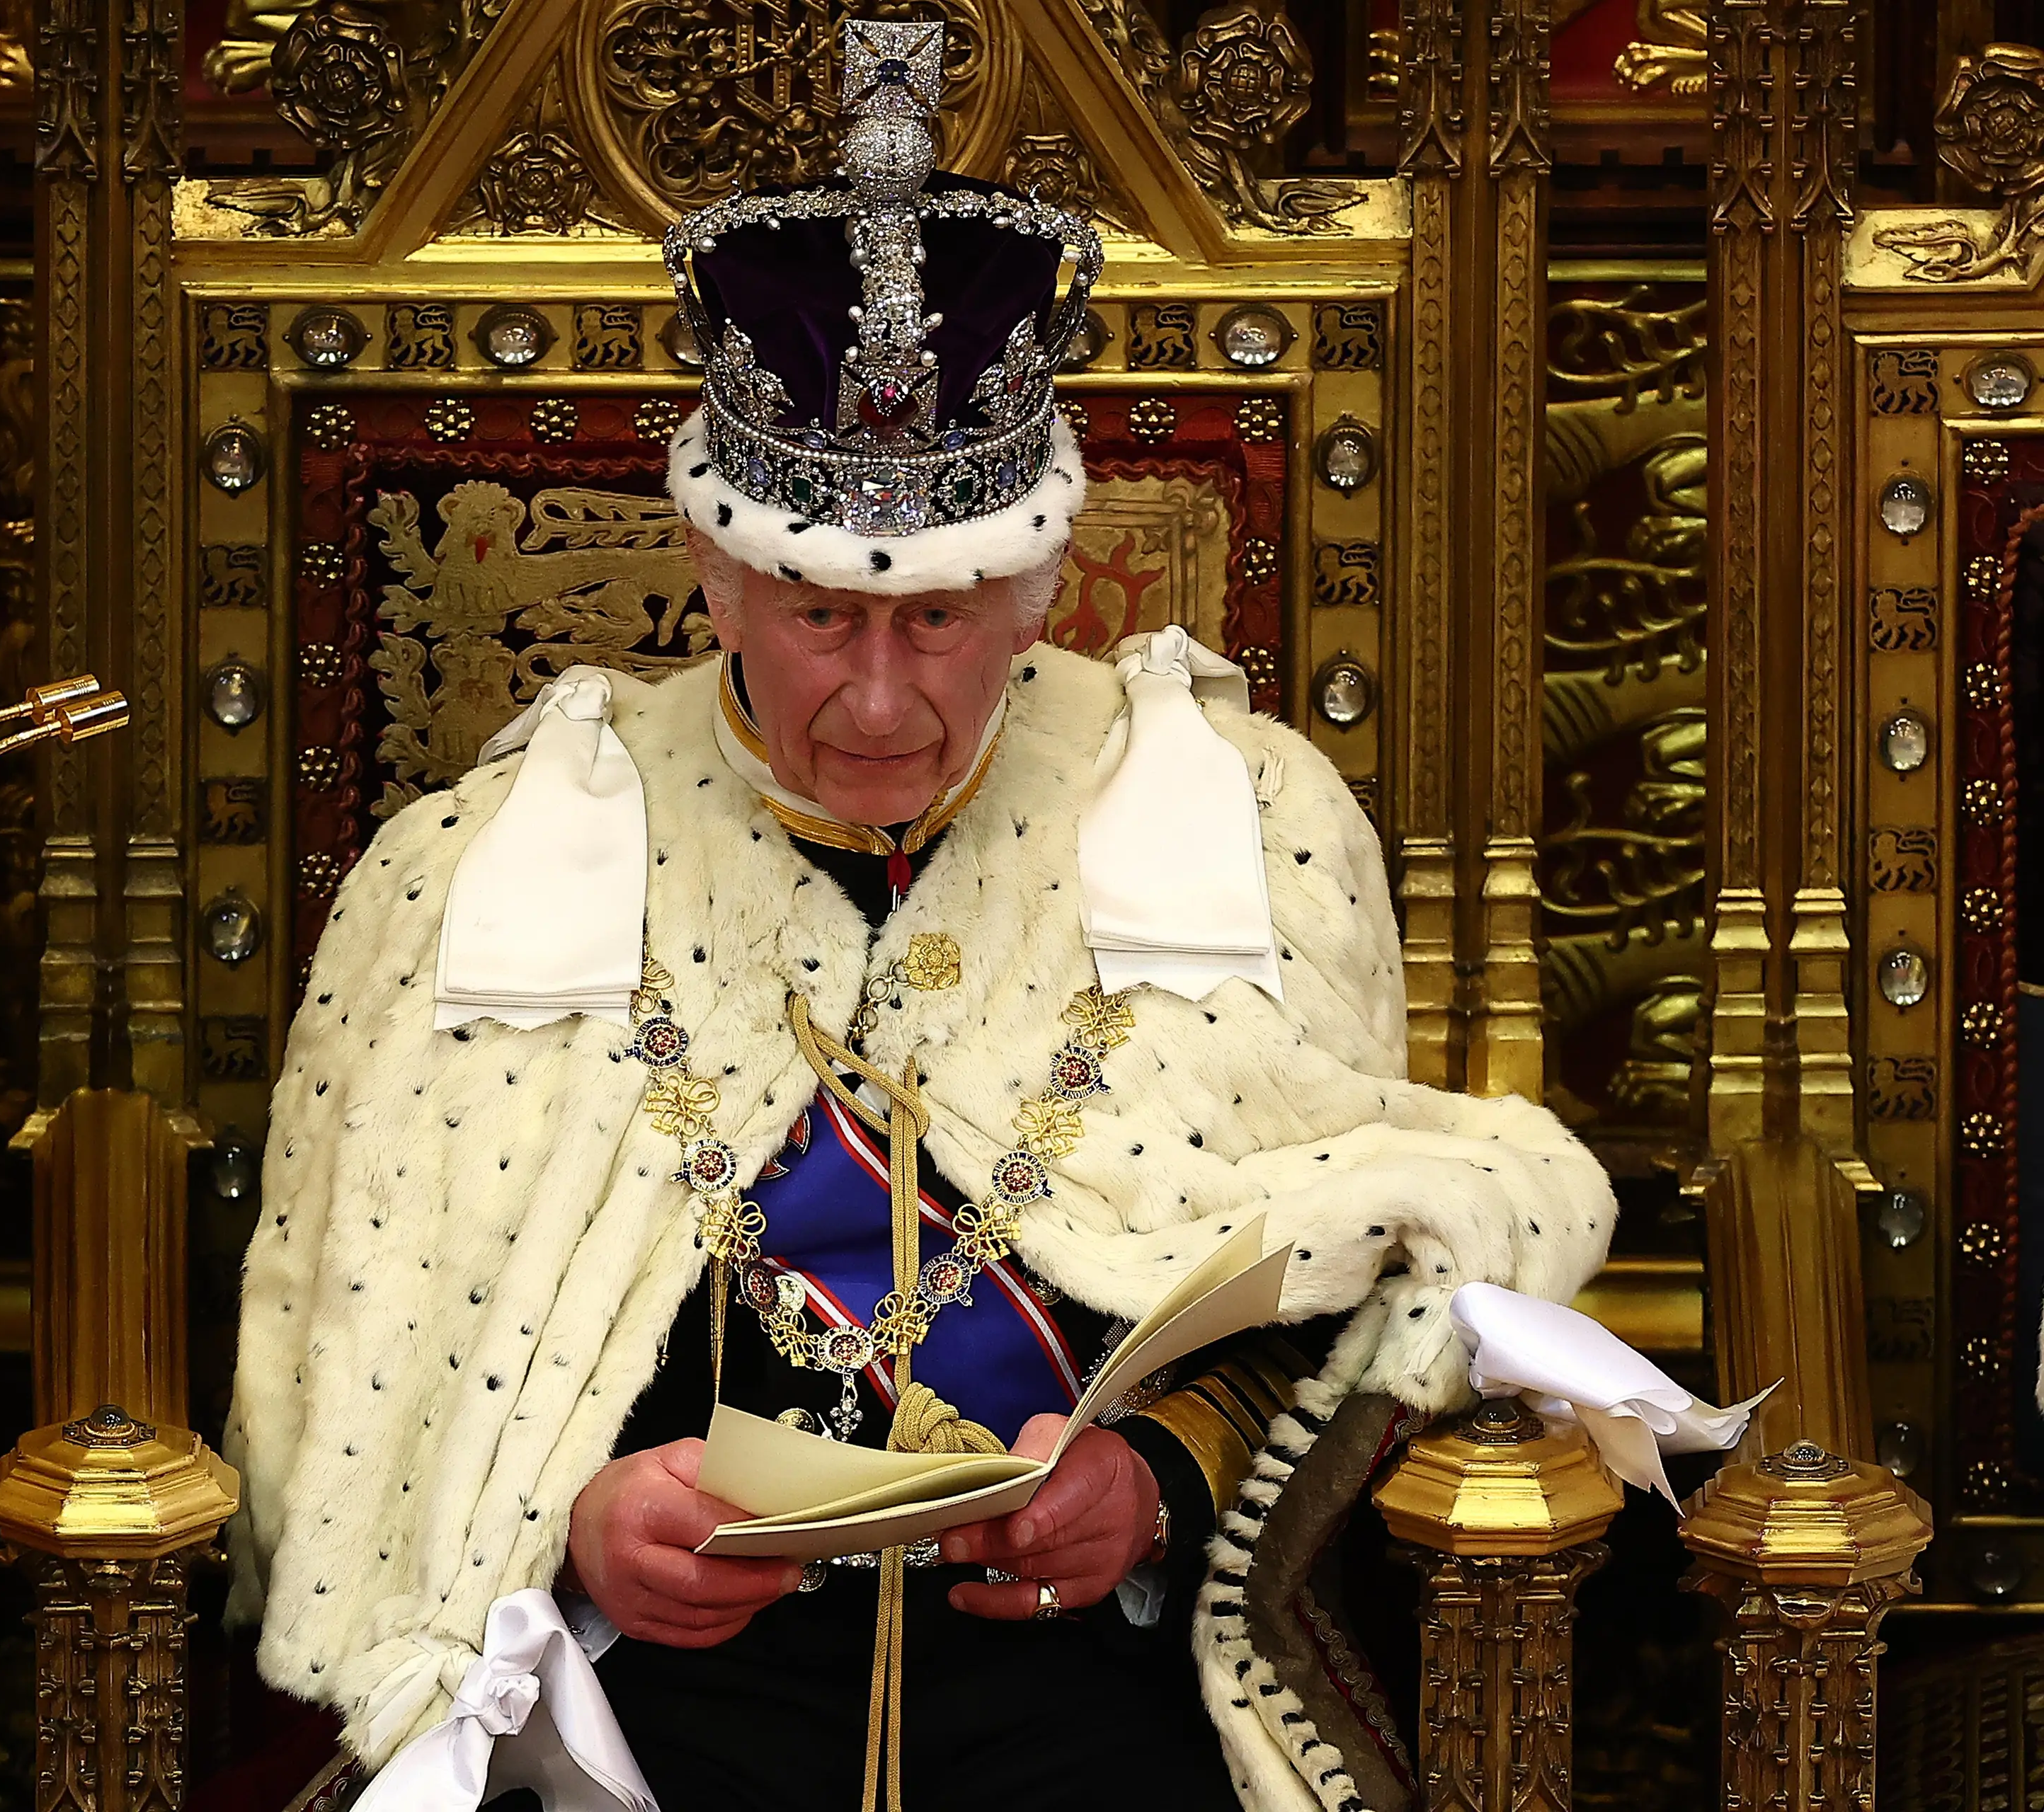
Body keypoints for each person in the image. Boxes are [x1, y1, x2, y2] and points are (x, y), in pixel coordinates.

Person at [224, 23, 1614, 1811]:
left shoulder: (1243, 820)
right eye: (819, 614)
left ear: (1040, 582)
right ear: (715, 570)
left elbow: (1347, 1265)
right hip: (643, 1715)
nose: (879, 700)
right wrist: (572, 1524)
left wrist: (1161, 1484)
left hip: (1093, 1705)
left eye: (941, 619)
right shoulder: (475, 862)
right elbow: (382, 1368)